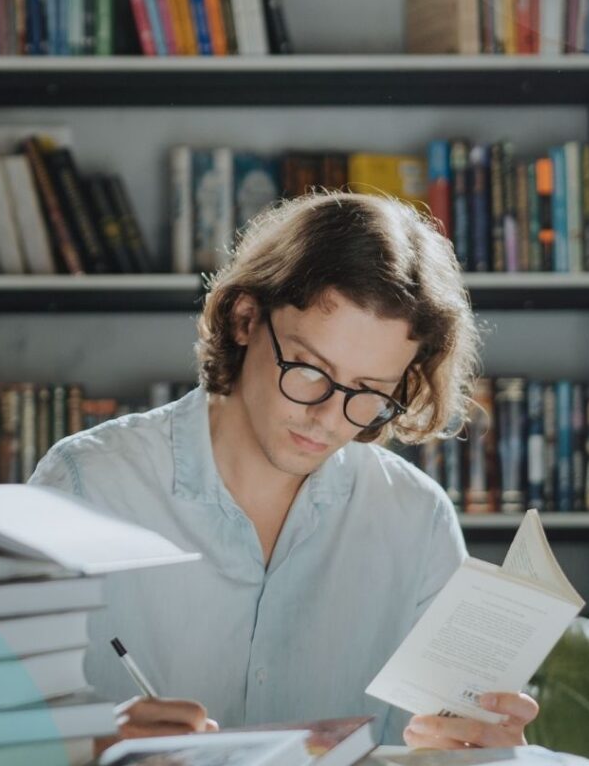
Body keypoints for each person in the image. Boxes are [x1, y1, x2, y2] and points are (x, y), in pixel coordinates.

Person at [28, 191, 539, 750]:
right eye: (309, 369)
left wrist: (480, 746)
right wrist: (90, 745)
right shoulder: (84, 485)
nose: (325, 417)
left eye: (369, 392)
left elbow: (445, 742)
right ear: (246, 319)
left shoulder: (416, 520)